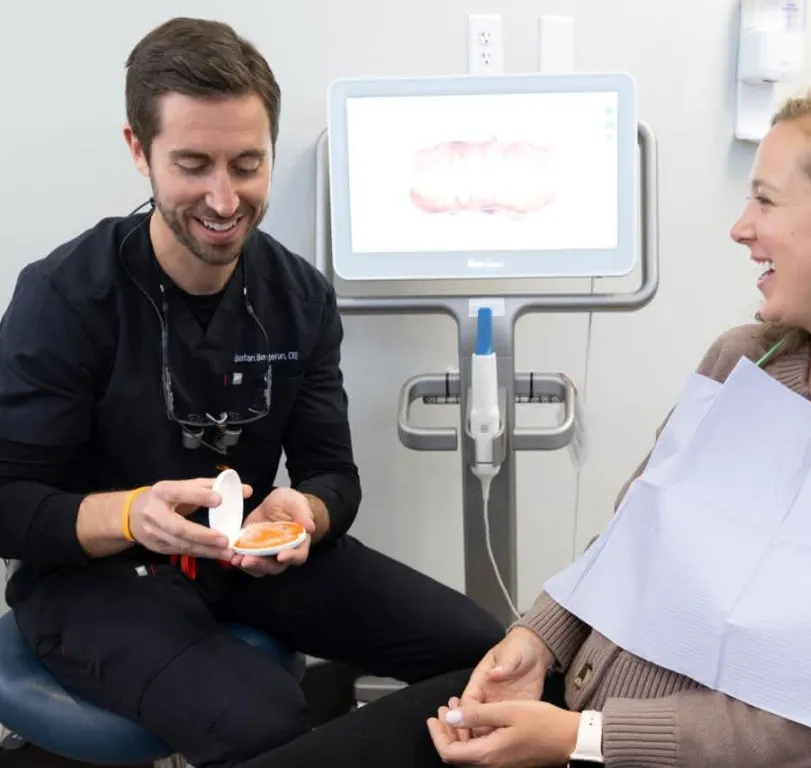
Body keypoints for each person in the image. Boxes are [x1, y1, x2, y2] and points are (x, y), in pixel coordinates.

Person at [233, 80, 811, 768]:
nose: (741, 228)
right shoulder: (747, 359)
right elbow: (630, 544)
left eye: (767, 202)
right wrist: (536, 640)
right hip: (584, 710)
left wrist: (581, 739)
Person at [0, 16, 505, 768]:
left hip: (243, 561)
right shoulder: (65, 297)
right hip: (93, 580)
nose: (224, 197)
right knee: (265, 718)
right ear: (139, 151)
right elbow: (10, 506)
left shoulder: (298, 295)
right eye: (193, 163)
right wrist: (136, 515)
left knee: (489, 654)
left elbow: (335, 475)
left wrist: (306, 511)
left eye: (246, 163)